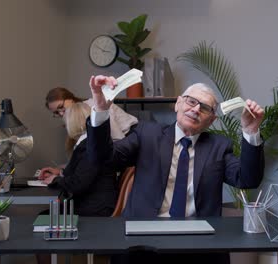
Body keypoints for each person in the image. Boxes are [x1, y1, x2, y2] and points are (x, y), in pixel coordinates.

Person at [87, 75, 265, 263]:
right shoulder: (147, 134)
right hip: (143, 242)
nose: (196, 109)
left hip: (199, 246)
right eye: (191, 101)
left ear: (211, 120)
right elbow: (103, 159)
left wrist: (251, 131)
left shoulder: (218, 147)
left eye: (204, 108)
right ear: (178, 104)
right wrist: (100, 110)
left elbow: (248, 179)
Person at [40, 87, 138, 178]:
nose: (61, 113)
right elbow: (83, 159)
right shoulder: (77, 116)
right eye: (56, 113)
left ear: (70, 98)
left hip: (131, 140)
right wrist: (62, 170)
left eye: (61, 106)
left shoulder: (94, 107)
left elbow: (118, 139)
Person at [40, 102, 117, 216]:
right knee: (46, 213)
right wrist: (60, 173)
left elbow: (78, 184)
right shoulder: (88, 143)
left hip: (94, 208)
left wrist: (55, 180)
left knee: (43, 215)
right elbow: (82, 173)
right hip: (94, 203)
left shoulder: (89, 147)